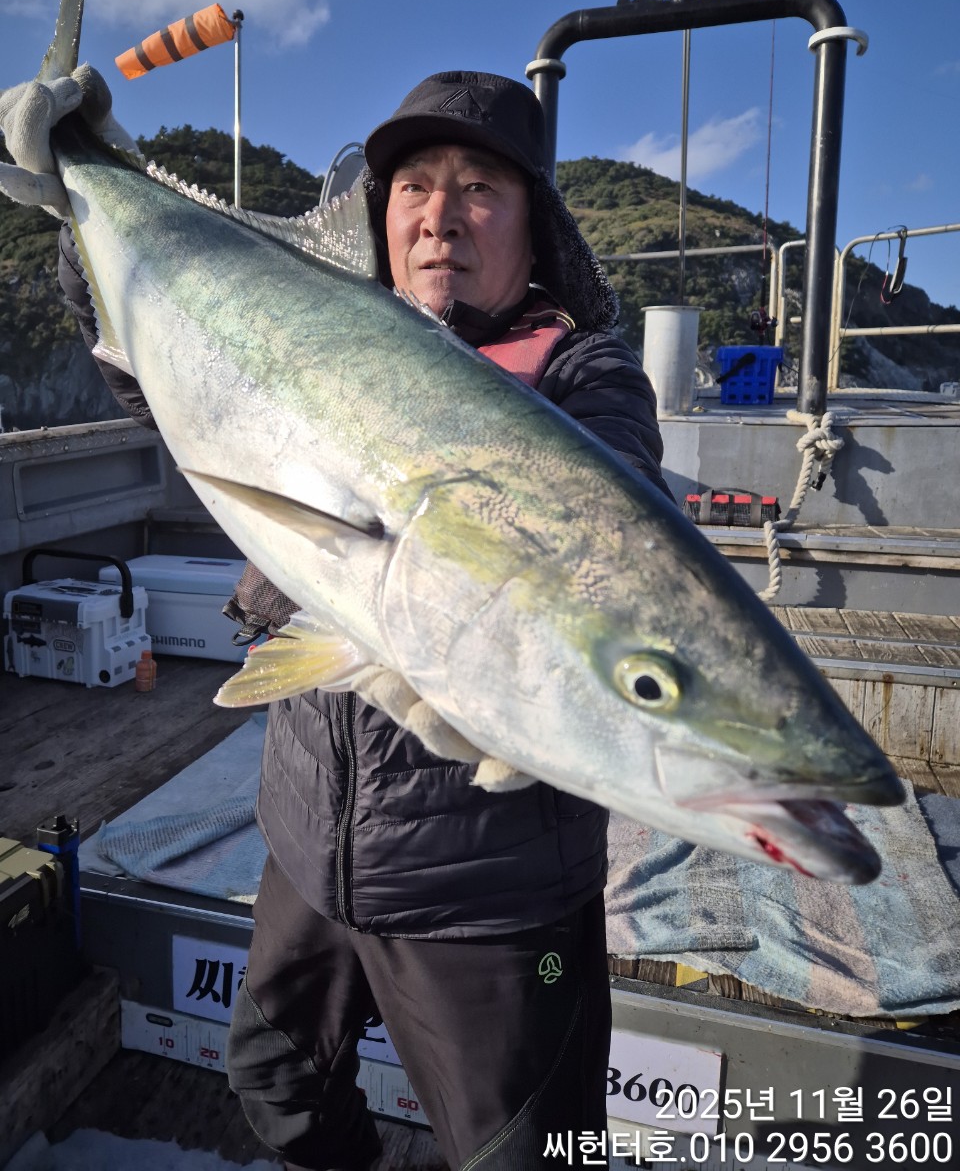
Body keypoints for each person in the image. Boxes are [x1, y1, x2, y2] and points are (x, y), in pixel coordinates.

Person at [0, 67, 669, 1170]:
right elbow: (168, 381)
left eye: (480, 187)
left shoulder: (583, 377)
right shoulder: (319, 338)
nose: (440, 216)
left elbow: (617, 525)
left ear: (538, 225)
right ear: (380, 215)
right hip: (312, 842)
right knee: (276, 1082)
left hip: (496, 899)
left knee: (533, 1153)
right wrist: (85, 215)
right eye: (413, 185)